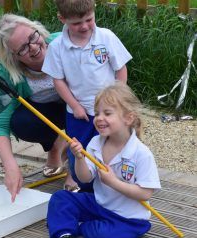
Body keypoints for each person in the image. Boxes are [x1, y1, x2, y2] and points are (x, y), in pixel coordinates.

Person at [47, 82, 161, 238]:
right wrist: (78, 159)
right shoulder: (95, 143)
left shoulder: (141, 153)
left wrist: (113, 182)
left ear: (128, 118)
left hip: (127, 219)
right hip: (99, 205)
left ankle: (79, 232)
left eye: (107, 113)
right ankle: (66, 236)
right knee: (60, 198)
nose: (99, 118)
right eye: (97, 113)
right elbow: (84, 179)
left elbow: (145, 193)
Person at [42, 0, 132, 191]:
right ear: (62, 19)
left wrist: (119, 99)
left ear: (93, 12)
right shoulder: (57, 47)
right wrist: (74, 105)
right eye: (76, 23)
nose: (84, 26)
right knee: (79, 147)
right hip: (79, 111)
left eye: (88, 19)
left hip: (109, 108)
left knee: (113, 143)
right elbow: (58, 81)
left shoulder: (106, 37)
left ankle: (112, 181)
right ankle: (76, 178)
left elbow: (120, 69)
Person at [0, 14, 79, 201]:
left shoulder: (65, 45)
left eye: (32, 37)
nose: (33, 47)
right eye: (22, 48)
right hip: (48, 110)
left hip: (78, 106)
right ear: (12, 57)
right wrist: (11, 166)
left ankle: (75, 164)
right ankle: (54, 146)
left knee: (81, 112)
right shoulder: (7, 71)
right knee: (21, 123)